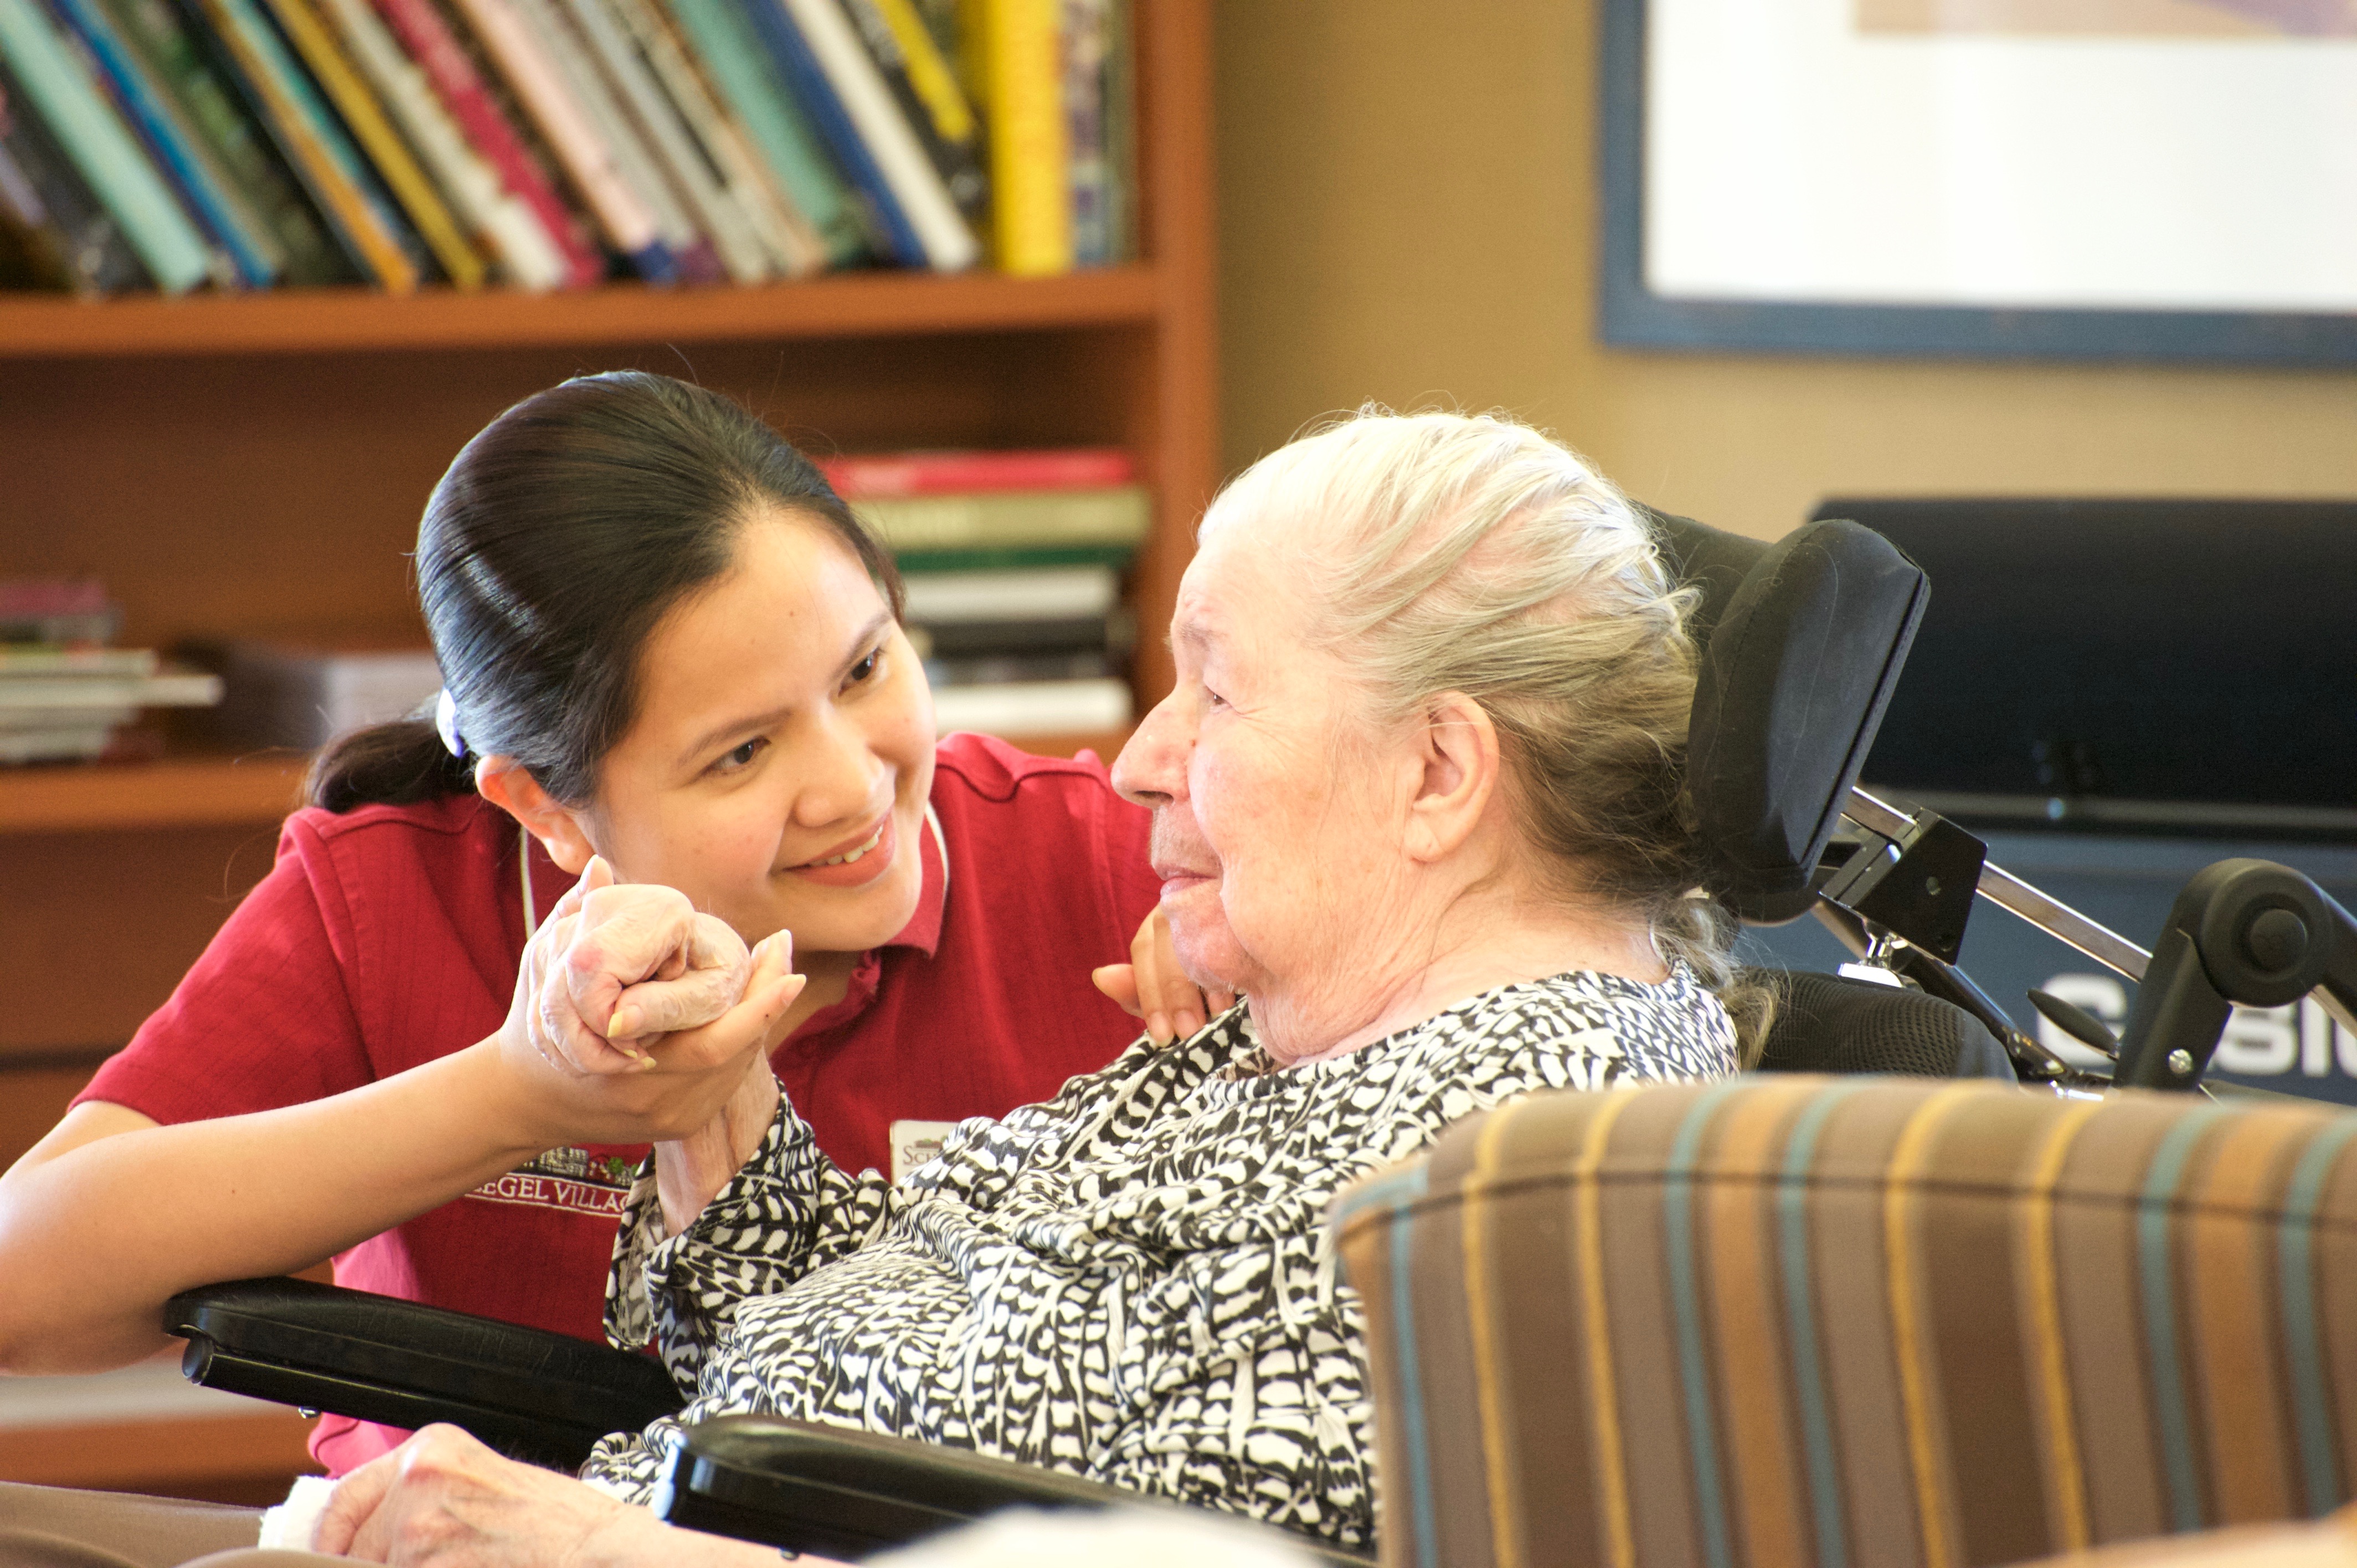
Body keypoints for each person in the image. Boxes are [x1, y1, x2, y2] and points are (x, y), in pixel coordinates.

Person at [0, 408, 1759, 1567]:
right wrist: (632, 1109)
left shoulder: (1479, 1134)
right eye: (746, 746)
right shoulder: (1321, 1003)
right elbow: (888, 1343)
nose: (1140, 767)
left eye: (1214, 695)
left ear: (1443, 778)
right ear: (545, 807)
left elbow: (1170, 1529)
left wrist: (599, 1545)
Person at [0, 372, 1221, 1474]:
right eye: (741, 752)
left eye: (864, 670)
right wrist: (521, 1097)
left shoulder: (1110, 863)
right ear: (546, 807)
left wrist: (1277, 1027)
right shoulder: (394, 892)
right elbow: (26, 1289)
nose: (853, 784)